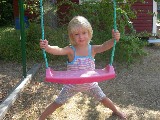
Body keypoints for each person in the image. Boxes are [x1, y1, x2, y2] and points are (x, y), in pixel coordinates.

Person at [39, 16, 126, 120]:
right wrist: (47, 47)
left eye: (84, 33)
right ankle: (41, 118)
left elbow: (104, 46)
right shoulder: (71, 50)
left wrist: (114, 40)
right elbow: (59, 50)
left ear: (89, 33)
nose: (81, 37)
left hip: (90, 84)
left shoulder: (92, 49)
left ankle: (116, 111)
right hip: (71, 85)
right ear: (72, 36)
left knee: (103, 98)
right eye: (77, 34)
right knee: (57, 103)